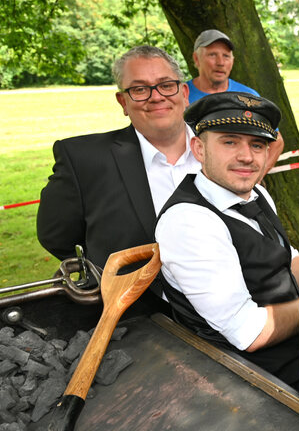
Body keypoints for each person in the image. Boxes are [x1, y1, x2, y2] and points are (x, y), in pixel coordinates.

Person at [155, 92, 299, 391]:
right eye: (229, 142)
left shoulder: (257, 194)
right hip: (258, 380)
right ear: (198, 148)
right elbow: (247, 333)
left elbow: (288, 258)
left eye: (257, 144)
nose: (247, 156)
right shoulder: (189, 221)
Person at [37, 45, 200, 272]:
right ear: (123, 102)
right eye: (140, 89)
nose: (156, 97)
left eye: (166, 85)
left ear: (184, 93)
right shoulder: (83, 160)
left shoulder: (226, 149)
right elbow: (56, 235)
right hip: (136, 305)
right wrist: (111, 276)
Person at [186, 29, 284, 175]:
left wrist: (255, 178)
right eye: (212, 55)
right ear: (196, 59)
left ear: (232, 61)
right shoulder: (179, 96)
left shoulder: (248, 96)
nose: (220, 63)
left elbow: (277, 141)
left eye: (226, 56)